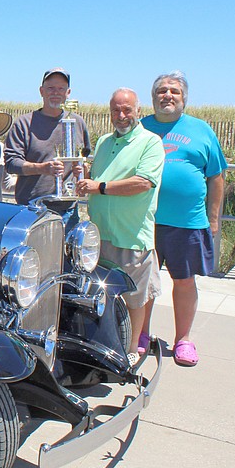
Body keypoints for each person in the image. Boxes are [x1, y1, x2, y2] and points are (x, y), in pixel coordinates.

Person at [140, 71, 227, 367]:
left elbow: (216, 177)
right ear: (153, 98)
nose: (168, 95)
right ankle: (140, 334)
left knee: (185, 281)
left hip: (188, 222)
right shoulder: (140, 128)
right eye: (162, 90)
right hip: (144, 221)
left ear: (184, 98)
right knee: (144, 282)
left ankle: (183, 340)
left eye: (174, 91)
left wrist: (213, 220)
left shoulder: (201, 130)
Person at [75, 88, 164, 366]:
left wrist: (98, 187)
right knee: (102, 295)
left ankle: (132, 350)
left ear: (138, 110)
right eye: (116, 110)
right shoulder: (103, 141)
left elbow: (143, 183)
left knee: (135, 298)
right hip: (100, 236)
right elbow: (98, 177)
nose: (121, 115)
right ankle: (108, 345)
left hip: (131, 236)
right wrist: (84, 175)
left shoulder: (151, 142)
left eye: (127, 109)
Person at [5, 68, 91, 227]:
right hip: (31, 210)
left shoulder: (78, 123)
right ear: (41, 91)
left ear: (68, 92)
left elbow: (84, 161)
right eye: (51, 88)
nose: (55, 93)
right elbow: (12, 164)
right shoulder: (24, 123)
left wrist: (83, 172)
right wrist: (42, 168)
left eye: (61, 89)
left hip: (68, 212)